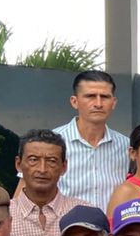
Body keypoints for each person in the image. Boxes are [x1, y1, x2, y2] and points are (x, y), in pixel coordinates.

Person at [9, 129, 81, 236]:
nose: (42, 169)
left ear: (64, 167)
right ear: (18, 164)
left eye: (52, 161)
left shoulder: (82, 214)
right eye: (33, 160)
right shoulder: (2, 216)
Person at [54, 70, 130, 208]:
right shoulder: (52, 143)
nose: (98, 104)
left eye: (105, 97)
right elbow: (26, 193)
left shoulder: (126, 146)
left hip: (111, 222)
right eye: (90, 96)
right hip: (64, 222)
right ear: (74, 101)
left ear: (113, 103)